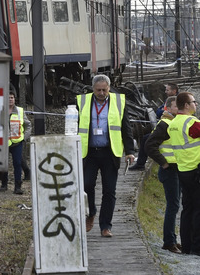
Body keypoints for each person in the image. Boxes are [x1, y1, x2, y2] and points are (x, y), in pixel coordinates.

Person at [151, 90, 200, 258]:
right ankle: (199, 246)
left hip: (183, 170)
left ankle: (187, 246)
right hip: (199, 171)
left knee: (187, 209)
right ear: (187, 105)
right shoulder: (192, 122)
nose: (196, 104)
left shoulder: (173, 123)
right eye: (194, 102)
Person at [78, 74, 136, 238]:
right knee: (87, 186)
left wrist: (130, 151)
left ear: (109, 88)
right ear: (93, 89)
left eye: (104, 90)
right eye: (98, 90)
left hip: (110, 153)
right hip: (89, 152)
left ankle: (105, 226)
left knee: (109, 191)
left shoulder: (118, 102)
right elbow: (76, 125)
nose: (102, 93)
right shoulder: (83, 102)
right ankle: (91, 213)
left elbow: (126, 128)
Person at [144, 94, 184, 254]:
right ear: (168, 108)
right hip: (170, 170)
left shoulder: (172, 123)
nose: (179, 109)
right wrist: (164, 163)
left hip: (175, 169)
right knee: (172, 205)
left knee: (174, 205)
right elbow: (149, 145)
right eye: (176, 106)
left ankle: (172, 239)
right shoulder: (165, 124)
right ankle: (168, 242)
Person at [130, 82, 179, 171]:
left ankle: (141, 164)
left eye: (167, 90)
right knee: (146, 139)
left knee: (148, 141)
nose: (165, 92)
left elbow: (160, 112)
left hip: (169, 130)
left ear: (174, 91)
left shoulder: (174, 101)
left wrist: (162, 110)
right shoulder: (170, 100)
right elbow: (159, 111)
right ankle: (140, 163)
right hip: (166, 127)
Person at [0, 92, 28, 194]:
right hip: (4, 143)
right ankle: (4, 184)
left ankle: (17, 186)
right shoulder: (1, 111)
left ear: (14, 99)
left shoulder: (20, 111)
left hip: (17, 142)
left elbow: (28, 125)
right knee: (4, 164)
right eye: (8, 98)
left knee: (17, 163)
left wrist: (25, 137)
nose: (10, 99)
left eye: (12, 98)